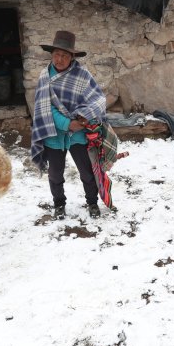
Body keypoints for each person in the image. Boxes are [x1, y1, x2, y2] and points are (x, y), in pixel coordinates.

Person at [30, 30, 107, 220]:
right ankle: (59, 204)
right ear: (51, 54)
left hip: (78, 134)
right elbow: (43, 108)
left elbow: (98, 100)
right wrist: (67, 123)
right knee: (55, 175)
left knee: (87, 173)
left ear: (72, 57)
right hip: (54, 135)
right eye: (57, 54)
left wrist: (82, 118)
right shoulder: (44, 77)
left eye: (65, 55)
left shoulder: (82, 75)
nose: (60, 59)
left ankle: (92, 203)